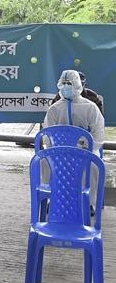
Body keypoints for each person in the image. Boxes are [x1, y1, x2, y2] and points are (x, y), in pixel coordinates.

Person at [43, 69, 105, 214]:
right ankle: (52, 198)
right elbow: (47, 135)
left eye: (69, 83)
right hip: (59, 150)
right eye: (63, 83)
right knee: (44, 162)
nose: (66, 86)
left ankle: (88, 202)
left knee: (94, 165)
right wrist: (56, 147)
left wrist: (85, 147)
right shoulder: (54, 109)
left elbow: (98, 135)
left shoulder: (91, 107)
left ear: (78, 85)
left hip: (85, 151)